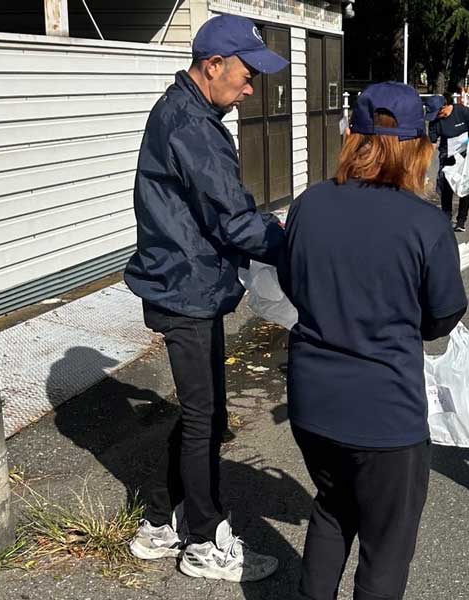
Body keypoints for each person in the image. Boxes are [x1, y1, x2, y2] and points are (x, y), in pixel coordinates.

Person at [277, 82, 468, 599]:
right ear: (418, 148)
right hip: (385, 416)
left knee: (332, 507)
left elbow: (294, 286)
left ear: (353, 139)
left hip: (313, 404)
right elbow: (443, 316)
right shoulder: (426, 224)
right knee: (385, 546)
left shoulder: (309, 204)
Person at [124, 14, 288, 582]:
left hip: (188, 279)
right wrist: (299, 249)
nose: (250, 91)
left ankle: (161, 521)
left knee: (202, 411)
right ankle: (201, 539)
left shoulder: (188, 111)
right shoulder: (192, 126)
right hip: (186, 286)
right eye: (245, 76)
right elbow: (235, 219)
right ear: (212, 65)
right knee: (204, 417)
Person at [427, 91, 469, 232]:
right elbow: (433, 143)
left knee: (465, 184)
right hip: (448, 154)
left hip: (467, 152)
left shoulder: (461, 111)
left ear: (445, 106)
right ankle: (446, 217)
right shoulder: (435, 121)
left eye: (438, 113)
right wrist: (425, 160)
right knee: (446, 186)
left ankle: (461, 220)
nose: (437, 117)